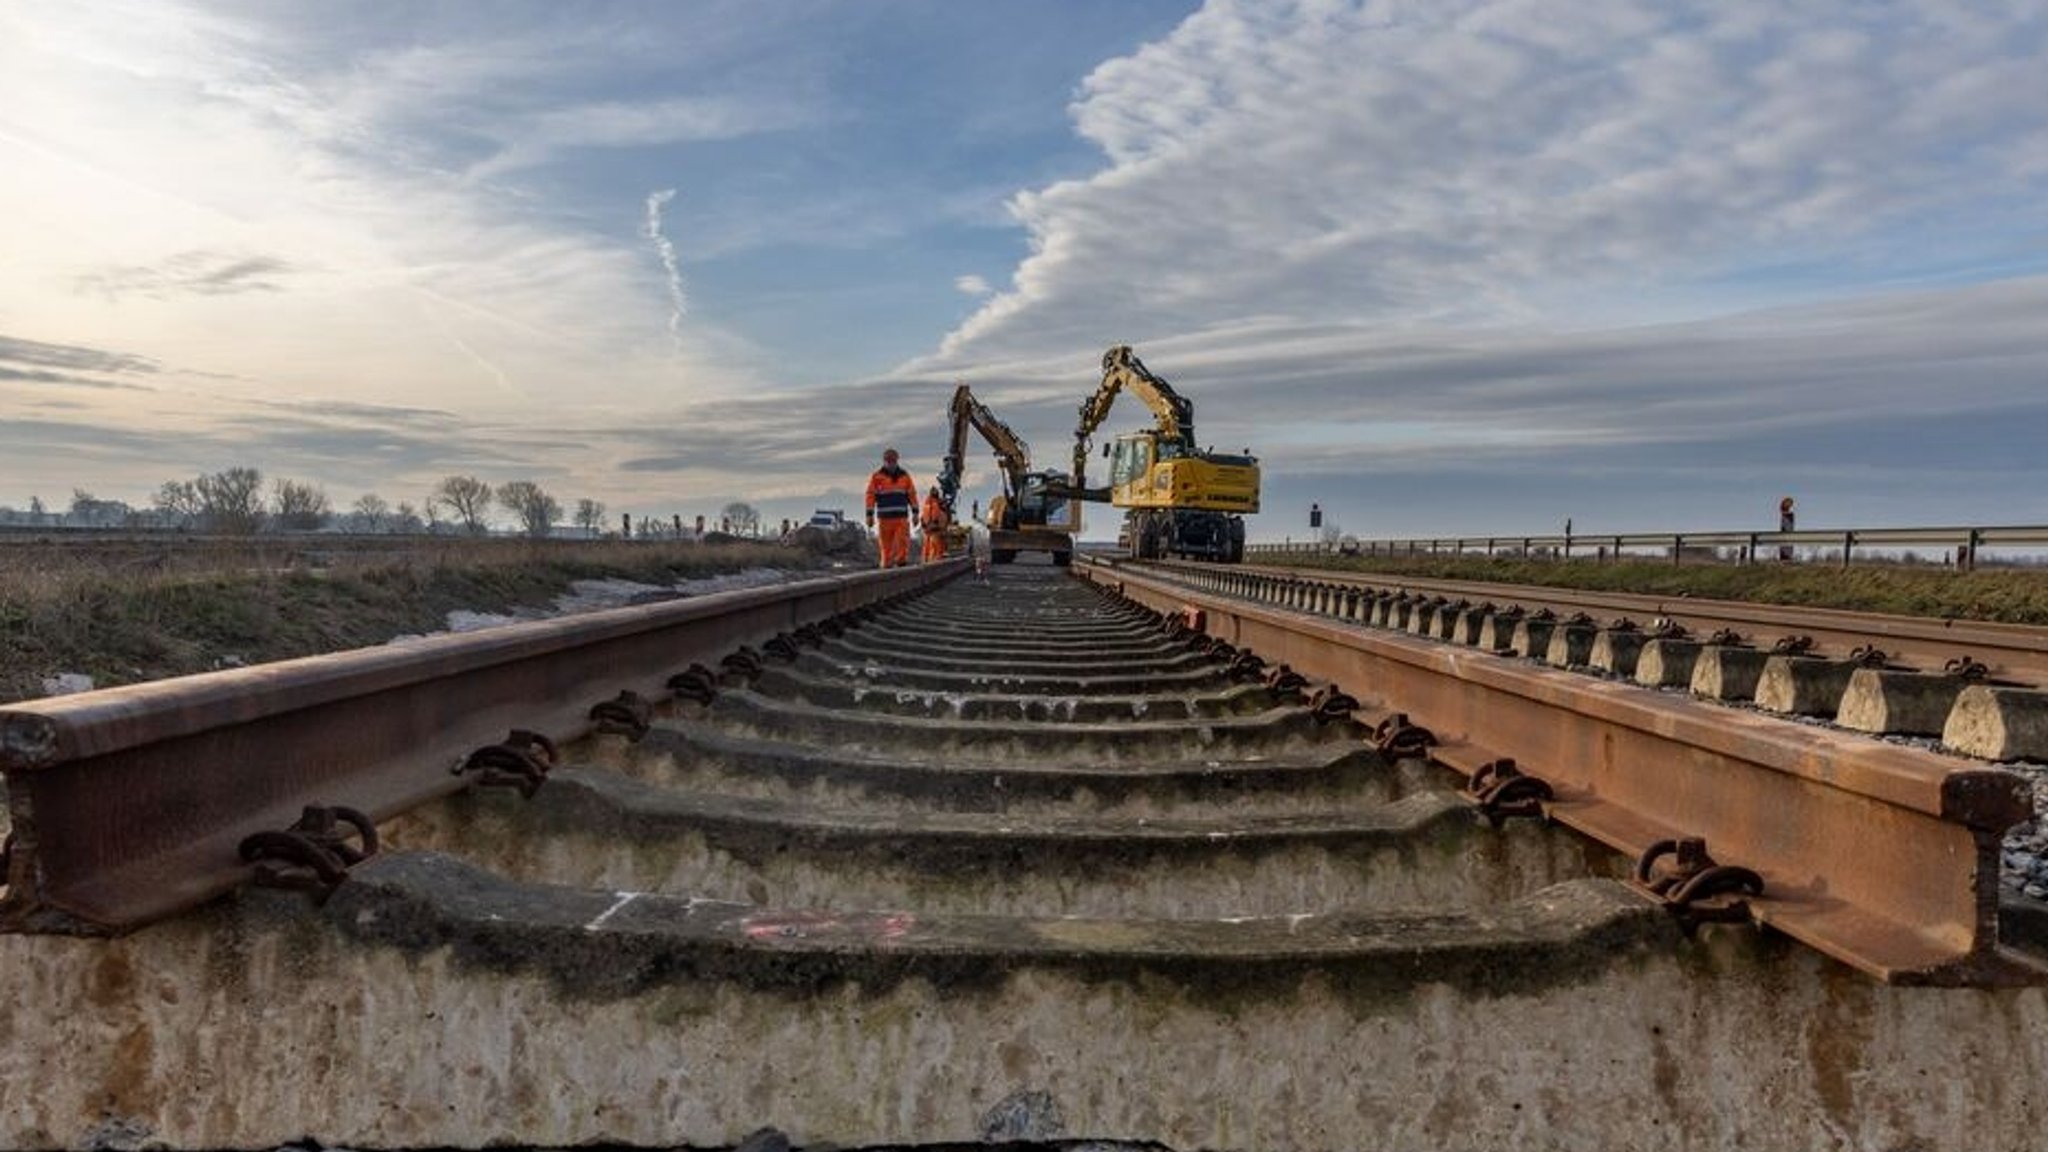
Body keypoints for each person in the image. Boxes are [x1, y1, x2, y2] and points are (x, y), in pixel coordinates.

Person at [864, 448, 917, 568]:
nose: (890, 463)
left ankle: (901, 565)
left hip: (901, 518)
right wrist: (869, 515)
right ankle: (886, 568)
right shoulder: (877, 477)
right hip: (884, 519)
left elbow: (912, 495)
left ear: (897, 460)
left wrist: (915, 513)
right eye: (888, 460)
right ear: (884, 461)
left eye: (892, 460)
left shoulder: (905, 477)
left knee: (902, 543)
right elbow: (870, 496)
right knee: (886, 546)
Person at [919, 485, 950, 564]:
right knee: (933, 546)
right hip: (933, 529)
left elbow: (925, 515)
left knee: (931, 546)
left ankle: (930, 561)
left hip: (931, 528)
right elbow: (927, 515)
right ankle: (931, 561)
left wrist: (925, 524)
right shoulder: (933, 503)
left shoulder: (929, 503)